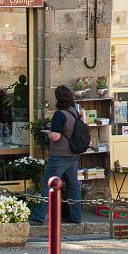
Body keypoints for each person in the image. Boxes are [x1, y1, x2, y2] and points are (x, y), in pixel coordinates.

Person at [29, 85, 82, 225]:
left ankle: (39, 215)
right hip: (73, 154)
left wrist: (48, 133)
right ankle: (76, 216)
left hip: (59, 155)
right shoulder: (74, 112)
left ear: (58, 98)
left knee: (48, 184)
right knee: (73, 185)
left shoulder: (60, 114)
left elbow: (56, 136)